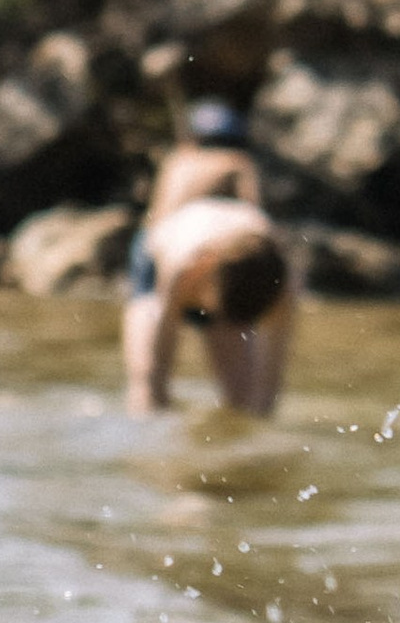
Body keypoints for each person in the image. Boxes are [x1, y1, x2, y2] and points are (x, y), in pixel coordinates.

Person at [123, 102, 299, 416]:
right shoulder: (239, 162)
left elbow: (270, 381)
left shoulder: (179, 159)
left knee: (243, 401)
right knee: (146, 380)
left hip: (225, 259)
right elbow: (160, 358)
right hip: (161, 255)